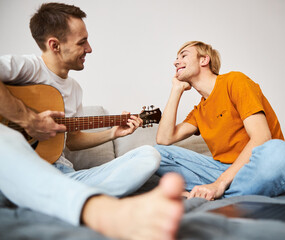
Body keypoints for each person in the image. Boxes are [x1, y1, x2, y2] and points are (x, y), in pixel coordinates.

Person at [0, 3, 183, 240]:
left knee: (149, 155)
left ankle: (53, 198)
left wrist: (113, 134)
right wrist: (28, 119)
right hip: (14, 169)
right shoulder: (27, 68)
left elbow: (73, 142)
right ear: (54, 45)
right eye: (81, 42)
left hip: (63, 175)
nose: (89, 48)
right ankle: (92, 208)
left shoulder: (74, 89)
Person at [155, 41, 285, 201]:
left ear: (204, 60)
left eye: (183, 55)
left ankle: (221, 193)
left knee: (281, 152)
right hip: (221, 171)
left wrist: (219, 184)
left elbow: (262, 137)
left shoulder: (235, 81)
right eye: (176, 58)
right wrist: (176, 89)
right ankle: (230, 193)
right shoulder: (198, 111)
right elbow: (164, 139)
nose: (175, 62)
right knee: (157, 153)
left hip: (255, 166)